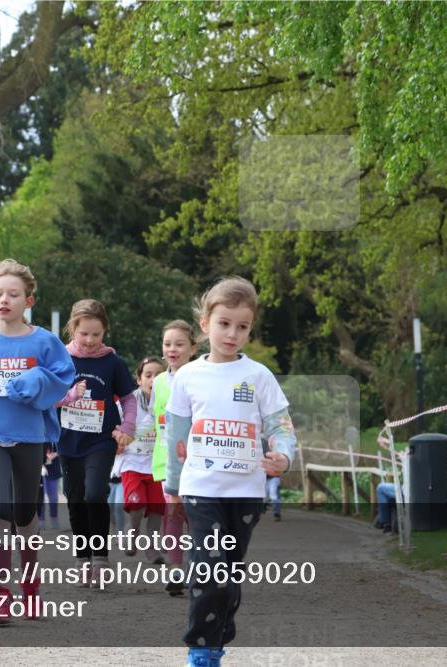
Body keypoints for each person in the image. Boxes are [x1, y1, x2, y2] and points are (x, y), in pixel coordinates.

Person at [165, 276, 297, 667]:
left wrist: (283, 458)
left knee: (229, 572)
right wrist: (172, 488)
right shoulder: (187, 376)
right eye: (224, 323)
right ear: (205, 324)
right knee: (208, 564)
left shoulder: (259, 377)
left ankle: (218, 639)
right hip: (201, 488)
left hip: (245, 491)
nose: (232, 333)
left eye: (242, 326)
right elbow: (176, 437)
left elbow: (281, 428)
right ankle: (200, 650)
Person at [0, 258, 76, 624]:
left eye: (13, 293)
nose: (4, 299)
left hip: (29, 436)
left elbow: (64, 375)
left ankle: (31, 590)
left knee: (25, 515)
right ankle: (0, 594)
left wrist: (36, 380)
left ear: (29, 301)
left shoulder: (44, 340)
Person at [54, 299, 136, 587]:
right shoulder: (60, 359)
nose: (89, 341)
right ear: (72, 329)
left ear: (105, 332)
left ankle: (100, 558)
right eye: (83, 333)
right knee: (75, 498)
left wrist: (127, 426)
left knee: (94, 494)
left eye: (96, 335)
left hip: (101, 440)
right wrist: (70, 397)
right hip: (68, 439)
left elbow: (128, 399)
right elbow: (49, 397)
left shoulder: (113, 362)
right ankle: (82, 558)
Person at [151, 319, 199, 596]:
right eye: (167, 344)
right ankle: (175, 570)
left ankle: (199, 567)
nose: (172, 349)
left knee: (195, 517)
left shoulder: (198, 378)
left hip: (196, 461)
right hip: (164, 462)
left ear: (192, 348)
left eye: (179, 344)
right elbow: (155, 420)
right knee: (173, 514)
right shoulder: (158, 381)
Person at [122, 356, 167, 562]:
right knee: (137, 504)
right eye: (148, 375)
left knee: (157, 509)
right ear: (139, 379)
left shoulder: (170, 400)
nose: (153, 379)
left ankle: (152, 548)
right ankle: (132, 531)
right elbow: (118, 426)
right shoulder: (128, 402)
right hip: (132, 461)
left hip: (158, 463)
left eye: (158, 375)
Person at [38, 443, 62, 530]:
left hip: (53, 468)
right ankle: (40, 520)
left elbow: (63, 446)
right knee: (40, 495)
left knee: (53, 496)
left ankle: (54, 518)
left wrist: (55, 454)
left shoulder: (55, 434)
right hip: (38, 466)